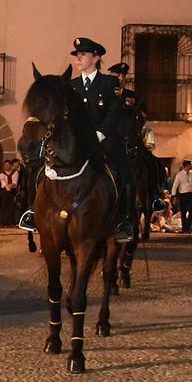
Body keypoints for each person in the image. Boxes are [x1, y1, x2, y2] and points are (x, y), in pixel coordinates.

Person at [67, 37, 134, 242]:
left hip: (105, 142)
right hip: (79, 144)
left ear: (96, 58)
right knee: (49, 168)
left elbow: (114, 112)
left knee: (125, 175)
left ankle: (124, 221)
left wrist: (99, 133)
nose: (78, 58)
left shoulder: (109, 82)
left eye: (83, 54)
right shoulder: (72, 85)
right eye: (77, 55)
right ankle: (38, 215)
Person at [171, 160, 192, 233]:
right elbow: (175, 186)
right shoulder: (179, 175)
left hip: (191, 194)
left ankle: (188, 226)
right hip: (183, 195)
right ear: (186, 166)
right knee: (183, 212)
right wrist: (173, 195)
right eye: (190, 165)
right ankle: (185, 228)